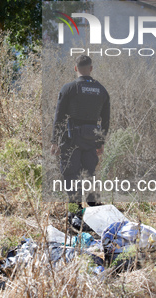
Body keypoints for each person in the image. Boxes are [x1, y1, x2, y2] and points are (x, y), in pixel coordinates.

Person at [51, 55, 110, 209]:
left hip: (72, 137)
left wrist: (55, 140)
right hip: (92, 137)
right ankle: (96, 208)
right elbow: (106, 119)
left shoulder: (69, 88)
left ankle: (75, 212)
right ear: (91, 68)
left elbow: (59, 116)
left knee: (71, 175)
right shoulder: (101, 90)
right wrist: (101, 142)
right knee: (90, 174)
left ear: (75, 68)